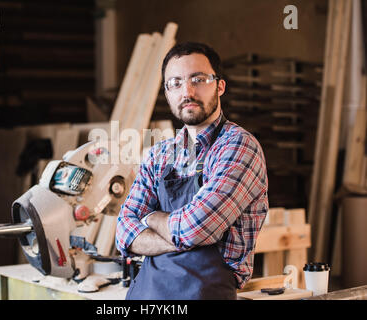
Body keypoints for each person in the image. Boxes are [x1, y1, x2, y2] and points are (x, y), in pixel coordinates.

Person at [115, 42, 269, 300]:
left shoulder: (239, 147)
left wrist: (151, 217)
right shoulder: (159, 154)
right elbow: (124, 233)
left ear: (220, 86)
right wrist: (185, 239)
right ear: (167, 93)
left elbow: (195, 229)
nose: (186, 91)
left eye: (198, 79)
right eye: (175, 83)